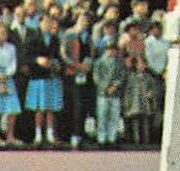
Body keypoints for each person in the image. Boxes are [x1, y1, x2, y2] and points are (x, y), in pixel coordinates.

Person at [22, 12, 65, 145]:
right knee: (39, 108)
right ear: (39, 23)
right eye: (45, 21)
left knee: (51, 108)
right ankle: (38, 134)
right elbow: (26, 57)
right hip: (38, 77)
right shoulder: (33, 38)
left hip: (51, 76)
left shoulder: (54, 39)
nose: (47, 24)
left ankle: (50, 134)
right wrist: (37, 60)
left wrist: (56, 64)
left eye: (49, 21)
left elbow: (58, 56)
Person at [60, 10, 94, 148]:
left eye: (87, 21)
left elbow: (91, 53)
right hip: (71, 74)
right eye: (83, 19)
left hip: (84, 75)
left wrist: (87, 66)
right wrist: (76, 65)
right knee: (72, 105)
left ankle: (79, 134)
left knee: (82, 106)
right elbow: (63, 54)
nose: (85, 23)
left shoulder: (88, 37)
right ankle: (69, 135)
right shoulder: (69, 34)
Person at [92, 38, 128, 147]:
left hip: (115, 93)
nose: (111, 51)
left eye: (113, 49)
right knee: (102, 116)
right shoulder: (99, 62)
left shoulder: (119, 63)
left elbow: (122, 76)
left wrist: (115, 86)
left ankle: (112, 137)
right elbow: (96, 77)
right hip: (102, 94)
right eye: (108, 49)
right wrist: (105, 87)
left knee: (114, 116)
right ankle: (101, 138)